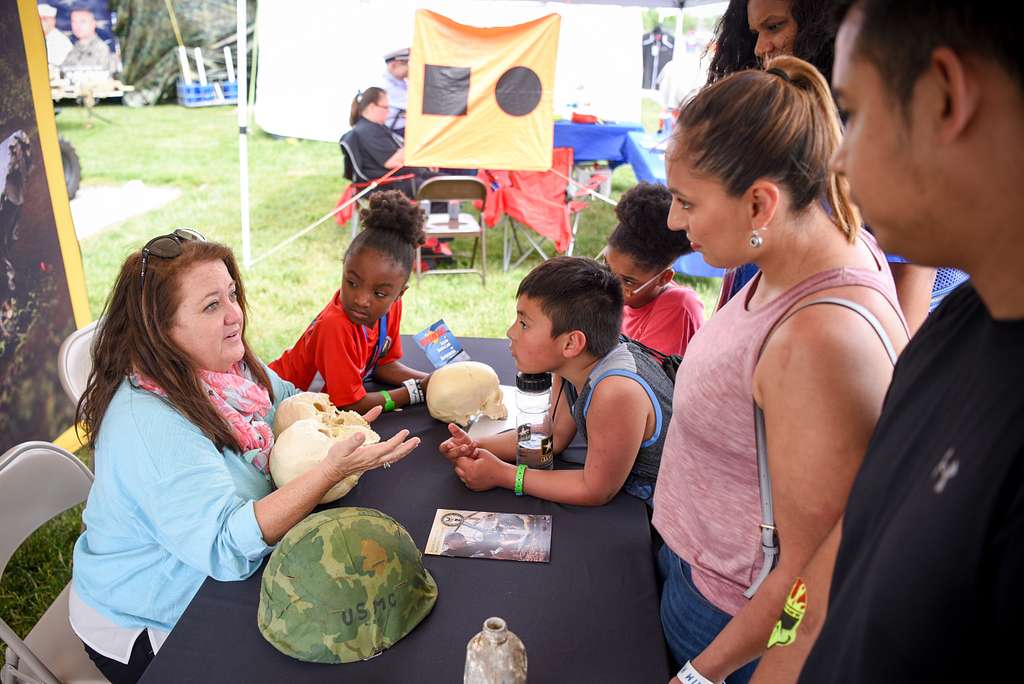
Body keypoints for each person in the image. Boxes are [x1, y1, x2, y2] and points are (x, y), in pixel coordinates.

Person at [761, 2, 1022, 681]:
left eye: (853, 111)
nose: (840, 158)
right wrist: (781, 652)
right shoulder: (958, 327)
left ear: (943, 94)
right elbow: (831, 573)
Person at [653, 56, 910, 684]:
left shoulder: (819, 343)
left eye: (687, 202)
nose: (673, 222)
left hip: (731, 630)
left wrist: (702, 674)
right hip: (704, 579)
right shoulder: (808, 245)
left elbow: (809, 577)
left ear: (760, 203)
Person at [70, 230, 418, 683]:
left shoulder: (223, 369)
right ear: (162, 328)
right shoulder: (151, 423)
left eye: (231, 294)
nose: (235, 314)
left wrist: (327, 419)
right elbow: (225, 550)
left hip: (218, 574)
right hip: (156, 614)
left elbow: (286, 397)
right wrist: (328, 470)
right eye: (212, 305)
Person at [706, 0, 949, 336]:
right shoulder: (786, 118)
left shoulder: (882, 126)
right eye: (756, 33)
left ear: (822, 26)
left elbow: (910, 276)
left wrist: (894, 380)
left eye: (774, 26)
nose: (761, 47)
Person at [439, 256, 674, 507]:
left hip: (669, 513)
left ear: (571, 343)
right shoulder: (576, 363)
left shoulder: (615, 392)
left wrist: (504, 475)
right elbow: (555, 436)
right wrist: (475, 446)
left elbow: (595, 489)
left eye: (524, 324)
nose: (511, 332)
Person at [271, 190, 431, 413]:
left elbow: (382, 365)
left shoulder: (390, 309)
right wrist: (416, 392)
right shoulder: (335, 325)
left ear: (399, 295)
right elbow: (349, 403)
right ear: (343, 269)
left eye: (380, 294)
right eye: (352, 283)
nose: (361, 300)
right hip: (275, 404)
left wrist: (432, 380)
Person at [604, 182, 704, 357]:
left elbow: (640, 378)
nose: (610, 285)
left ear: (664, 278)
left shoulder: (679, 306)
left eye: (627, 281)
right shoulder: (619, 298)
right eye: (607, 267)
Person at [345, 86, 438, 199]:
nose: (389, 112)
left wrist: (424, 162)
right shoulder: (368, 130)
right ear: (372, 108)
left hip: (403, 181)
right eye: (386, 107)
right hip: (391, 187)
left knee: (450, 181)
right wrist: (413, 131)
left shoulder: (375, 128)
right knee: (450, 186)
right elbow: (393, 162)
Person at [62, 5, 114, 73]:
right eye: (74, 21)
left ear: (93, 23)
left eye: (83, 21)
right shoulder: (74, 48)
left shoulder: (101, 50)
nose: (77, 26)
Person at [382, 47, 409, 137]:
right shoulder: (386, 86)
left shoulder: (401, 81)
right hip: (397, 132)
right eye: (406, 64)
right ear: (394, 65)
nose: (409, 68)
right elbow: (415, 105)